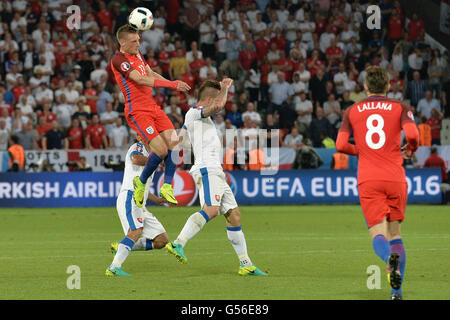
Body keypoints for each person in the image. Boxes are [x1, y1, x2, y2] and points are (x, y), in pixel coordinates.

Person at [166, 78, 267, 276]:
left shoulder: (196, 118)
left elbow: (181, 140)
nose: (219, 102)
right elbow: (219, 105)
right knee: (211, 210)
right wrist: (226, 88)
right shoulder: (195, 112)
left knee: (234, 215)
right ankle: (178, 243)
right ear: (210, 98)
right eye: (216, 97)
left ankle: (245, 263)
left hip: (214, 170)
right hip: (207, 168)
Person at [336, 66, 419, 300]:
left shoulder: (352, 110)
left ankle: (387, 260)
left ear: (365, 87)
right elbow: (412, 136)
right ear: (388, 86)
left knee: (378, 235)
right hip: (395, 177)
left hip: (369, 178)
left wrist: (361, 150)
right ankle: (396, 293)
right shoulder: (400, 107)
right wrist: (411, 149)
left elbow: (341, 145)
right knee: (395, 234)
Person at [110, 25, 191, 207]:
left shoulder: (138, 54)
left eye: (139, 40)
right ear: (122, 42)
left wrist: (172, 82)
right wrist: (172, 86)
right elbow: (139, 79)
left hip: (153, 107)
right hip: (137, 110)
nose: (139, 43)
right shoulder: (118, 59)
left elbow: (150, 73)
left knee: (174, 142)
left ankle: (167, 186)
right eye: (134, 41)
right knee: (161, 150)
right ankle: (141, 182)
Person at [106, 139, 170, 277]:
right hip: (130, 196)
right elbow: (135, 159)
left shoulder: (152, 156)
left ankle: (122, 246)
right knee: (135, 231)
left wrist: (157, 199)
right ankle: (114, 267)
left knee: (162, 240)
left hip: (140, 203)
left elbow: (144, 189)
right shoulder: (138, 147)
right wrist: (156, 160)